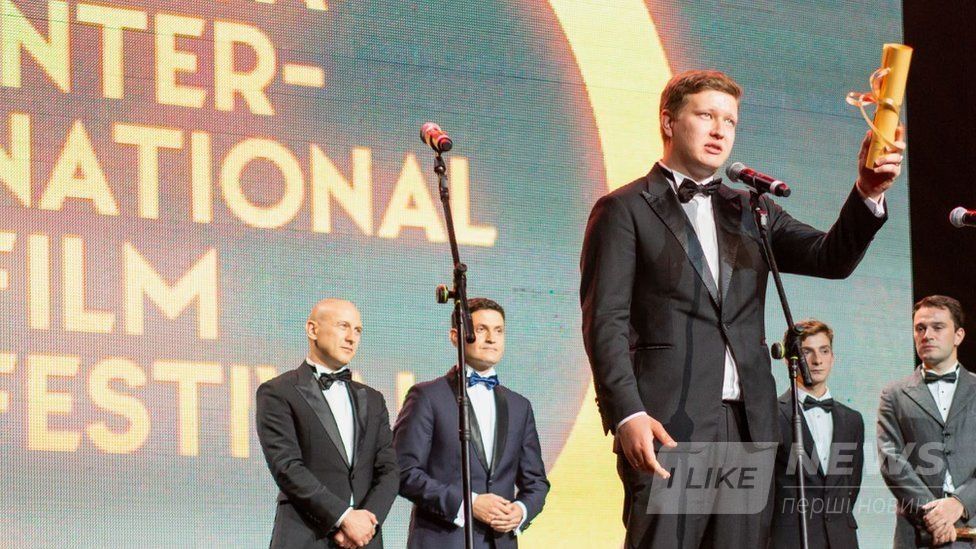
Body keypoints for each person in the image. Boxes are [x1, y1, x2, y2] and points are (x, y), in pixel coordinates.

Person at [578, 69, 903, 547]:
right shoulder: (625, 209)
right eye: (706, 116)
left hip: (748, 426)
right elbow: (604, 322)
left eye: (729, 121)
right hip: (670, 425)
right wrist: (628, 414)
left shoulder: (753, 209)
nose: (719, 130)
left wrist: (868, 193)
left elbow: (830, 258)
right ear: (668, 122)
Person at [393, 297, 550, 548]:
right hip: (443, 541)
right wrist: (469, 504)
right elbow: (403, 471)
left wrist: (521, 511)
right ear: (455, 336)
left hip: (499, 542)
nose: (491, 338)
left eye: (498, 331)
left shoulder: (520, 406)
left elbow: (536, 482)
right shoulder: (427, 396)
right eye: (481, 329)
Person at [256, 298, 399, 549]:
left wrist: (366, 524)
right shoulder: (278, 392)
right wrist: (343, 519)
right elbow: (287, 467)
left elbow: (389, 470)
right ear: (313, 330)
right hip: (305, 537)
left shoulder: (373, 399)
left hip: (365, 540)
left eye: (358, 330)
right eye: (343, 326)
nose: (351, 338)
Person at [878, 295, 976, 548]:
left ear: (958, 335)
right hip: (917, 532)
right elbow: (891, 460)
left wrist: (960, 503)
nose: (927, 335)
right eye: (920, 328)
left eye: (937, 327)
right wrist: (934, 515)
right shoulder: (894, 394)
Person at [770, 320, 864, 548]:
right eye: (807, 352)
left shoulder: (852, 419)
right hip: (790, 539)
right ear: (789, 360)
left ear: (833, 357)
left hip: (841, 539)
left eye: (824, 351)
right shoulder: (772, 414)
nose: (817, 360)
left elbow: (851, 485)